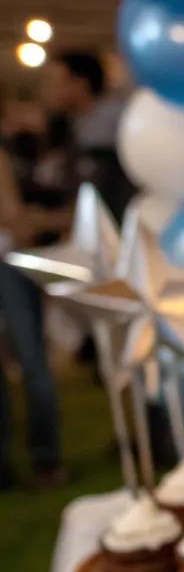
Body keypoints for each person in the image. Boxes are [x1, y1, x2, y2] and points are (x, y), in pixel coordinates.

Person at [0, 142, 63, 488]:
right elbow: (12, 218)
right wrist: (52, 218)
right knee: (33, 361)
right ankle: (46, 460)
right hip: (7, 264)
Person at [42, 50, 133, 221]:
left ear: (80, 83)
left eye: (54, 82)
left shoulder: (113, 120)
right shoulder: (73, 122)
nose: (47, 90)